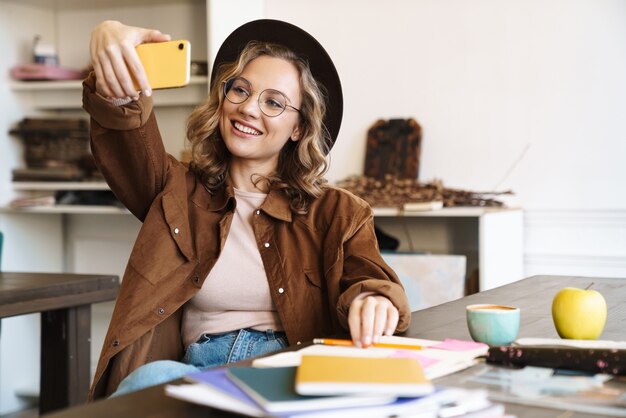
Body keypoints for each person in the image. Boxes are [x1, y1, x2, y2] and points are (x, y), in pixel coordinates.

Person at [83, 19, 411, 400]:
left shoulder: (339, 213)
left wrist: (374, 300)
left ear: (298, 129)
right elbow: (125, 134)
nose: (249, 109)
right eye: (240, 90)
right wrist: (110, 51)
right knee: (146, 380)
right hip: (194, 375)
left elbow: (369, 280)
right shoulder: (174, 190)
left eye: (273, 102)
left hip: (287, 374)